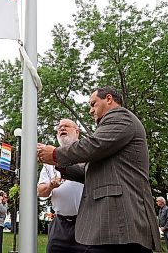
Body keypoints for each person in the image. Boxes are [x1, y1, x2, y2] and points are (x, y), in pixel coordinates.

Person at [37, 86, 161, 253]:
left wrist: (54, 154)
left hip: (121, 222)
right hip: (108, 227)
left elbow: (92, 146)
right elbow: (87, 171)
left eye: (93, 104)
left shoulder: (121, 117)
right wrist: (56, 163)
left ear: (108, 99)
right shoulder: (111, 136)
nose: (90, 110)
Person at [37, 118, 87, 253]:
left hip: (86, 224)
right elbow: (40, 192)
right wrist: (50, 186)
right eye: (59, 128)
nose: (62, 129)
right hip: (60, 225)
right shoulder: (49, 161)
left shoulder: (86, 153)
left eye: (66, 126)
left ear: (77, 132)